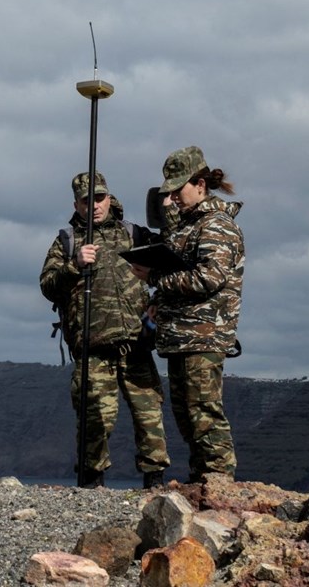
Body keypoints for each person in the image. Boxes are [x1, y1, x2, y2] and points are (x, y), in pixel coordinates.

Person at [40, 171, 171, 489]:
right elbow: (47, 285)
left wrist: (156, 307)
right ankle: (91, 482)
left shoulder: (134, 235)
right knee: (95, 416)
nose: (95, 205)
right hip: (93, 347)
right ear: (77, 204)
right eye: (87, 201)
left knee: (149, 414)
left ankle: (155, 482)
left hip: (136, 342)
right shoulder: (68, 241)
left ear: (109, 198)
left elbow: (168, 264)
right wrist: (74, 266)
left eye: (100, 198)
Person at [132, 147, 243, 483]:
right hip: (181, 335)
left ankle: (221, 483)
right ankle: (203, 482)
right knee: (187, 415)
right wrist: (158, 299)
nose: (173, 199)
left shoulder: (215, 226)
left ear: (199, 184)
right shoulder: (189, 226)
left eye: (177, 191)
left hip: (203, 335)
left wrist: (154, 277)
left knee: (204, 414)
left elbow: (209, 277)